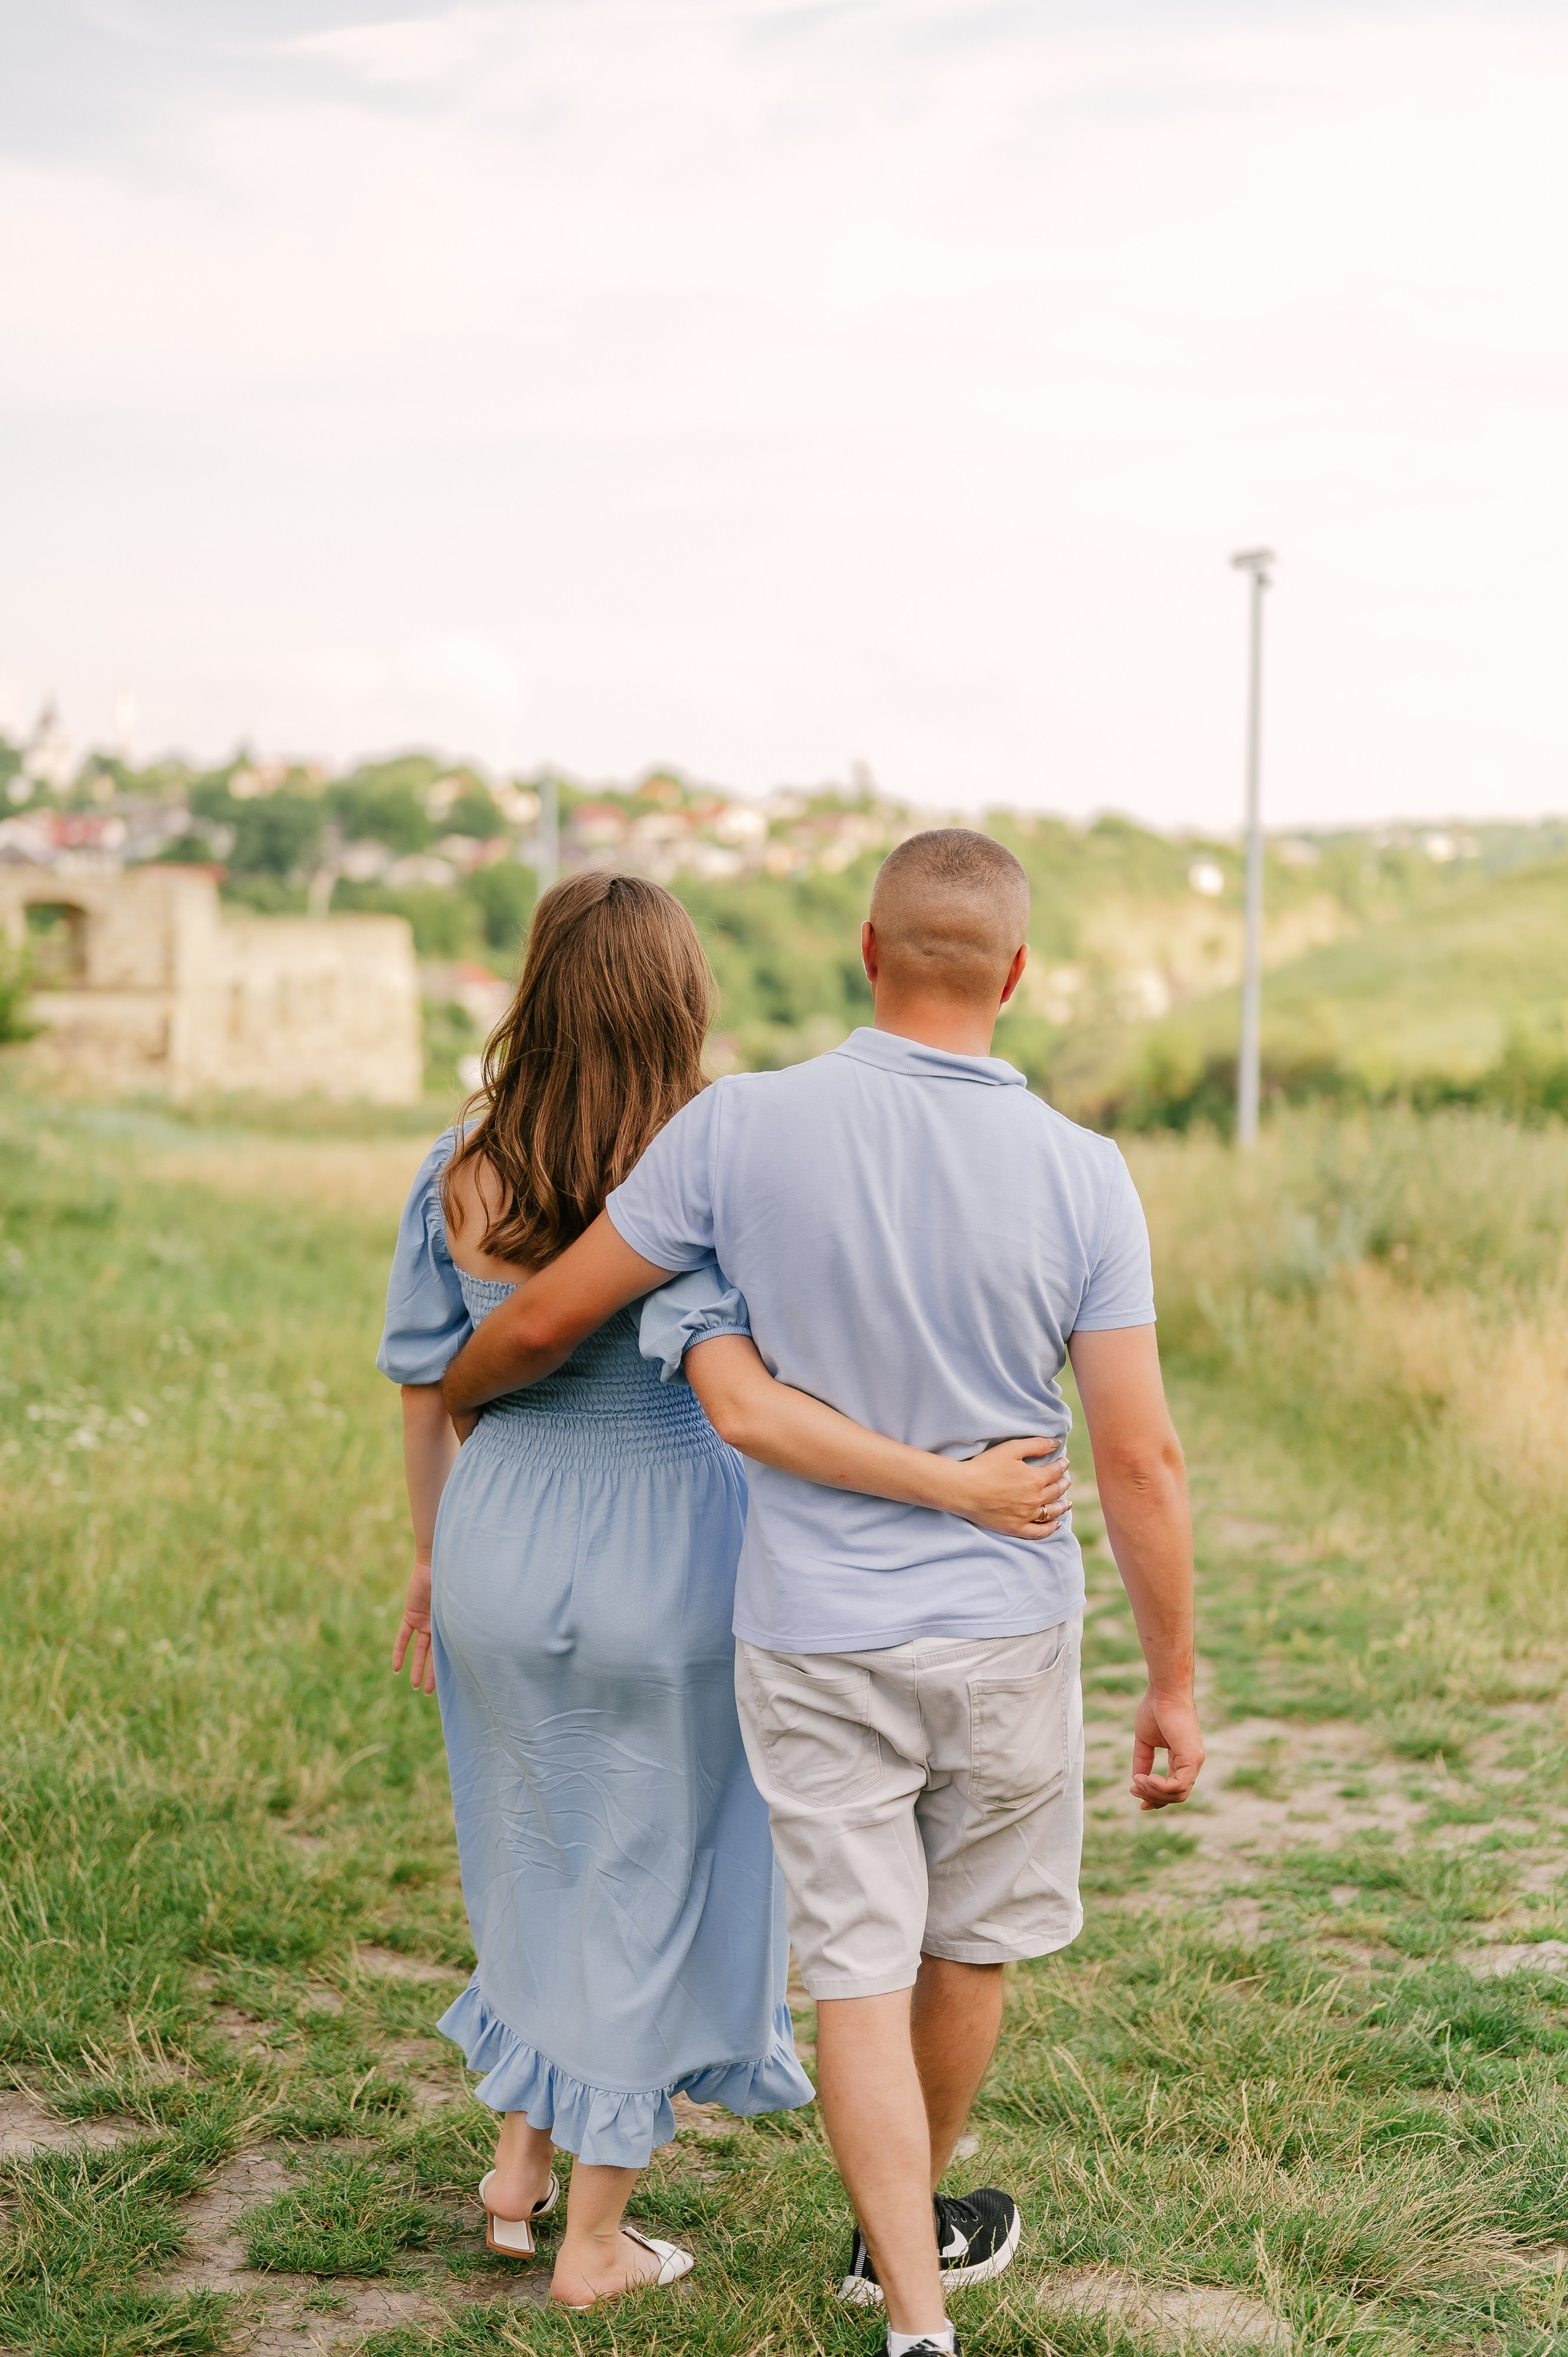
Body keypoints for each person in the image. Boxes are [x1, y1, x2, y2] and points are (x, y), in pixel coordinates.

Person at [440, 829, 1205, 2357]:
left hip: (810, 1624)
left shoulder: (741, 1129)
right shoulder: (1084, 1172)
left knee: (852, 1964)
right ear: (1015, 974)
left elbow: (548, 1317)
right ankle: (889, 2241)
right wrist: (1173, 1677)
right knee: (965, 1942)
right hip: (1003, 1620)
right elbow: (1141, 1459)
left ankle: (913, 2315)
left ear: (866, 950)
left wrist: (460, 1386)